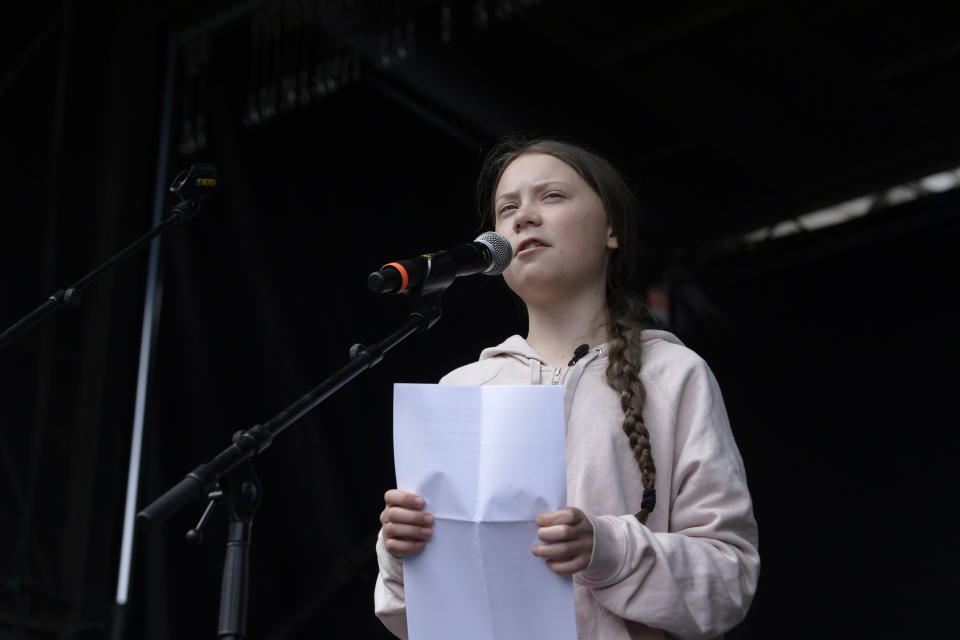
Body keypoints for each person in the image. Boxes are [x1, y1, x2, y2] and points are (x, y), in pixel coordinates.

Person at [374, 137, 760, 639]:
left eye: (551, 196)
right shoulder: (463, 389)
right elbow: (413, 620)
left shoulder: (673, 373)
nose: (523, 217)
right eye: (507, 207)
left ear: (611, 230)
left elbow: (729, 578)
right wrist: (401, 554)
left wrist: (607, 549)